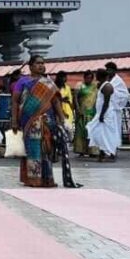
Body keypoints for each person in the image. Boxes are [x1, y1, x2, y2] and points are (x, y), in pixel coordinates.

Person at [13, 55, 79, 188]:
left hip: (47, 121)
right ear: (30, 66)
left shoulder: (49, 83)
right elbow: (15, 101)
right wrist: (14, 120)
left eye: (43, 63)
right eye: (38, 63)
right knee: (32, 149)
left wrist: (62, 119)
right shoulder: (22, 82)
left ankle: (47, 178)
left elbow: (56, 102)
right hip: (29, 121)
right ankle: (32, 179)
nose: (41, 66)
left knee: (46, 149)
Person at [88, 68, 126, 161]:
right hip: (101, 113)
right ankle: (102, 153)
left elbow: (106, 103)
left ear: (101, 76)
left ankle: (110, 154)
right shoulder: (102, 85)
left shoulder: (107, 87)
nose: (95, 76)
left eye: (97, 75)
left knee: (107, 135)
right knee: (100, 134)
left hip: (106, 114)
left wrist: (102, 115)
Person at [73, 70, 98, 156]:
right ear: (84, 78)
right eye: (87, 78)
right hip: (82, 112)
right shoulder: (80, 86)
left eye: (90, 78)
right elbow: (75, 98)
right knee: (81, 131)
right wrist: (77, 109)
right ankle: (81, 150)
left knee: (91, 132)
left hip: (92, 112)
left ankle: (92, 151)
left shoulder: (95, 86)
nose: (89, 79)